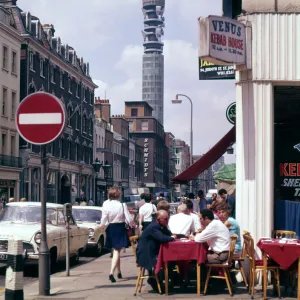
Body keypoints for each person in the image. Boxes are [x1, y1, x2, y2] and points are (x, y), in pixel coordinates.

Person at [100, 187, 134, 283]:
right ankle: (111, 272)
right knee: (116, 251)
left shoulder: (106, 204)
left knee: (116, 250)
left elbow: (104, 218)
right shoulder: (122, 205)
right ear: (118, 195)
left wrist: (103, 225)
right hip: (120, 227)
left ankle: (119, 272)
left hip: (110, 227)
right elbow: (128, 218)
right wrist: (132, 225)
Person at [136, 210, 175, 291]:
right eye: (165, 219)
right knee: (168, 260)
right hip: (147, 254)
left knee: (172, 259)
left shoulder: (160, 225)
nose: (167, 220)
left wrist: (171, 235)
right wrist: (172, 238)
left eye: (168, 218)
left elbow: (168, 233)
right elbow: (162, 238)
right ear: (158, 219)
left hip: (152, 251)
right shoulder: (153, 227)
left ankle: (167, 281)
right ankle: (155, 280)